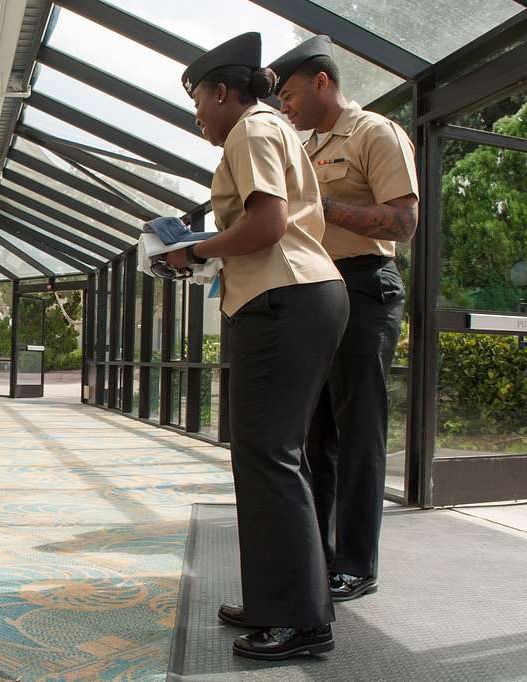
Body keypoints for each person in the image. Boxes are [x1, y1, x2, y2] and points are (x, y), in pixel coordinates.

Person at [166, 33, 348, 660]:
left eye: (198, 101)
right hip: (285, 296)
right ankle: (277, 598)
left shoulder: (250, 129)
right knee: (264, 455)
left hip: (285, 297)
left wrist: (192, 249)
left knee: (271, 455)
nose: (196, 116)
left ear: (224, 91)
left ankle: (301, 619)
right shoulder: (263, 129)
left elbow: (268, 224)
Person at [269, 36, 419, 602]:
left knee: (359, 432)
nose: (285, 107)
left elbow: (403, 222)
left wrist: (319, 207)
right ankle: (321, 559)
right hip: (318, 294)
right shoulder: (305, 150)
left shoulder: (375, 134)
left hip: (366, 286)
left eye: (288, 95)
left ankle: (357, 563)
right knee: (316, 434)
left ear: (322, 81)